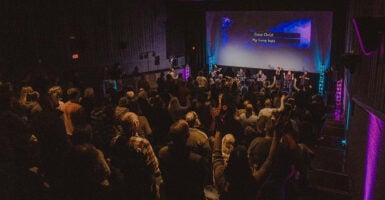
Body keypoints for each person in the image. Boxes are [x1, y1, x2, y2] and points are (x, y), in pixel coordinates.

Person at [159, 120, 209, 200]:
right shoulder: (197, 160)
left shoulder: (162, 153)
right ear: (188, 136)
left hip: (171, 195)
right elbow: (203, 181)